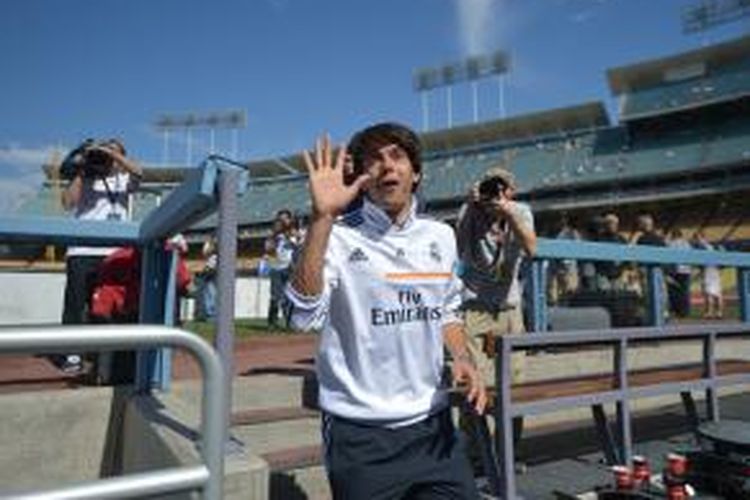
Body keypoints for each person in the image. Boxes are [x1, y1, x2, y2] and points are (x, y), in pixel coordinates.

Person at [286, 123, 486, 499]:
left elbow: (446, 309)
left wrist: (461, 357)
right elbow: (302, 316)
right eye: (374, 160)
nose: (387, 166)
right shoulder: (336, 235)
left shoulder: (440, 236)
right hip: (361, 435)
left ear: (416, 173)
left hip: (434, 426)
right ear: (362, 177)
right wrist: (323, 217)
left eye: (397, 155)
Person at [454, 165, 536, 466]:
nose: (495, 194)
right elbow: (459, 248)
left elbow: (531, 247)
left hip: (509, 308)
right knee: (475, 382)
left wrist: (508, 213)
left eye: (501, 188)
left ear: (510, 192)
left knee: (514, 383)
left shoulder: (520, 211)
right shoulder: (472, 211)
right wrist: (470, 207)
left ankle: (508, 452)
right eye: (490, 187)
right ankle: (476, 453)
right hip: (475, 307)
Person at [59, 138, 142, 373]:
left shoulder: (124, 178)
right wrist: (82, 169)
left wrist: (112, 154)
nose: (106, 155)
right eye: (105, 151)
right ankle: (72, 354)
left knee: (110, 304)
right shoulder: (86, 176)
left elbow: (139, 172)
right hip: (82, 251)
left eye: (115, 152)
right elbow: (67, 204)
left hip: (114, 253)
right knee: (76, 305)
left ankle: (104, 354)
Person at [265, 209, 300, 328]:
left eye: (285, 218)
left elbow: (300, 247)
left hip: (290, 267)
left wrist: (292, 237)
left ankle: (290, 323)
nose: (283, 221)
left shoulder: (294, 233)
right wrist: (274, 238)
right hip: (276, 267)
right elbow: (268, 249)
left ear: (290, 220)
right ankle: (272, 323)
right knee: (275, 296)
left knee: (289, 296)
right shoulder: (273, 234)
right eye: (280, 219)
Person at [692, 231, 723, 319]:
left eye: (697, 239)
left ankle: (709, 313)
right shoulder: (712, 247)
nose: (696, 241)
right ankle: (719, 313)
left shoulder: (701, 248)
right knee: (717, 293)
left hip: (708, 271)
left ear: (702, 238)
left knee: (708, 293)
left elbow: (700, 262)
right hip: (715, 270)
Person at [666, 229, 692, 318]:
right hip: (686, 271)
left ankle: (676, 310)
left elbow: (667, 256)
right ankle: (685, 312)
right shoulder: (687, 244)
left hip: (674, 271)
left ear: (673, 235)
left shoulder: (671, 244)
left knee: (674, 292)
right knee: (685, 292)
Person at [198, 235, 218, 320]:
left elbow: (206, 251)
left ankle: (211, 314)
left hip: (212, 274)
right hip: (210, 274)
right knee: (209, 293)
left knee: (211, 294)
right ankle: (210, 313)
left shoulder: (215, 256)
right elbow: (205, 252)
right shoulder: (212, 257)